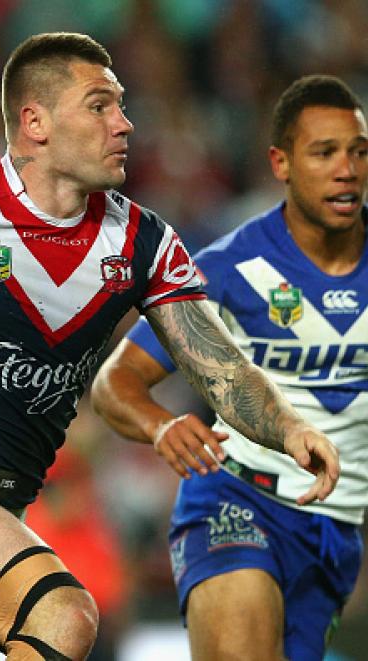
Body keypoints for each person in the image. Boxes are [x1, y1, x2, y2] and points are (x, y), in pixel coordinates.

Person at [0, 31, 339, 661]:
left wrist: (286, 427)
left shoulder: (144, 244)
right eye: (100, 106)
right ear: (34, 121)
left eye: (121, 106)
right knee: (62, 616)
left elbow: (221, 369)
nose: (125, 124)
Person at [91, 74, 368, 661]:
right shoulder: (227, 269)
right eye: (324, 152)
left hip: (336, 528)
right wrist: (161, 425)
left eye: (359, 151)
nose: (347, 169)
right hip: (235, 499)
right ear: (281, 163)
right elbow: (116, 383)